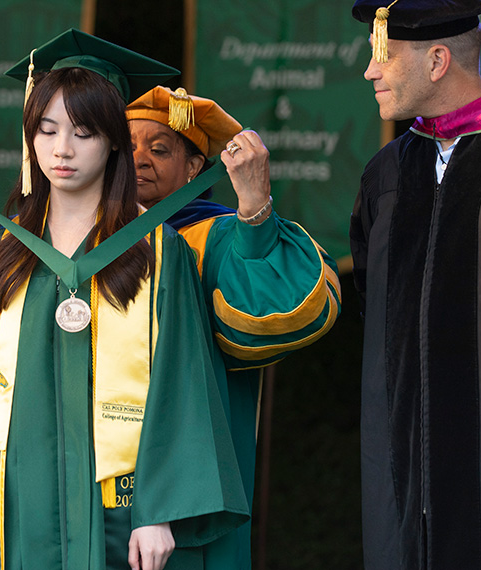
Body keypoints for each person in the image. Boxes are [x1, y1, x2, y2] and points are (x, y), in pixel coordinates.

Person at [0, 29, 249, 570]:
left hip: (121, 504)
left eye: (83, 132)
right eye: (47, 129)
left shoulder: (157, 249)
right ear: (29, 140)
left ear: (112, 142)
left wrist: (161, 509)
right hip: (11, 498)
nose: (61, 149)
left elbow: (182, 381)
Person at [348, 1, 481, 568]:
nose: (369, 71)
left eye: (384, 57)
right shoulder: (387, 174)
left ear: (438, 60)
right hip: (409, 483)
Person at [126, 87, 342, 568]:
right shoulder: (80, 241)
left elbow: (275, 307)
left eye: (159, 149)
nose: (138, 158)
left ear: (193, 169)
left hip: (188, 469)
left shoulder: (217, 235)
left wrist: (254, 206)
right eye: (126, 147)